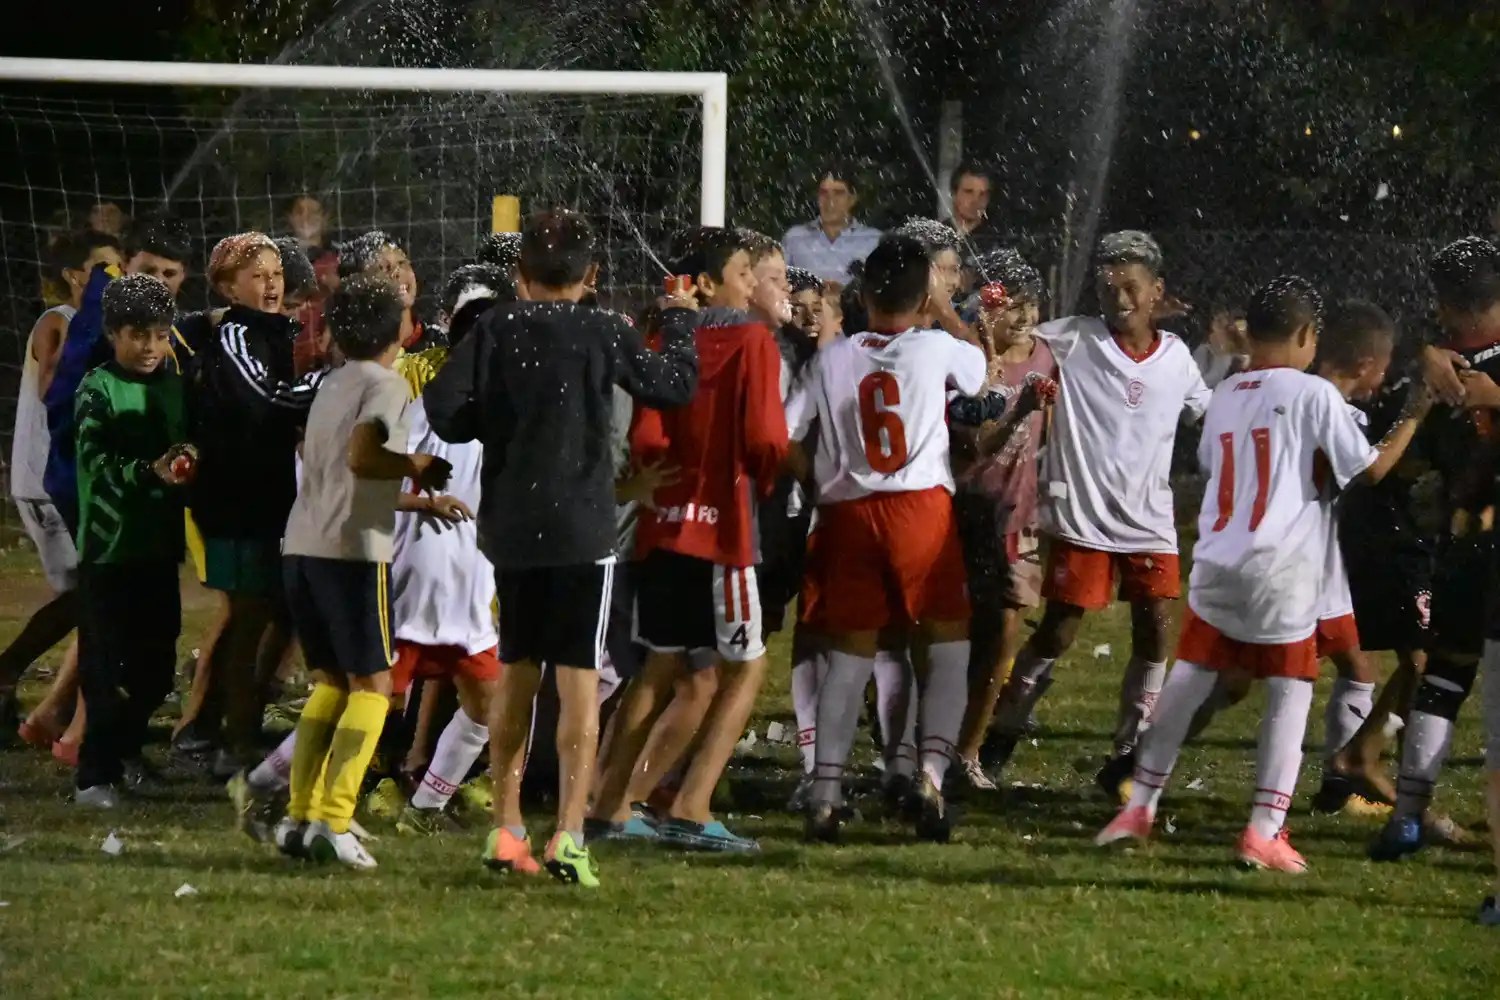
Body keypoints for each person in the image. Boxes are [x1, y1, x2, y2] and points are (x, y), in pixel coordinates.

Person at [1095, 277, 1430, 872]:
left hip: (1218, 560)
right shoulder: (1313, 394)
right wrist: (1419, 411)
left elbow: (1220, 463)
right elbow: (1370, 471)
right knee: (1289, 690)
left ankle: (1139, 804)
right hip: (1282, 568)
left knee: (1192, 677)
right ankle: (1264, 829)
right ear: (1306, 335)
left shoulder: (1224, 391)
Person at [423, 210, 699, 886]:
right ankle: (569, 834)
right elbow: (673, 385)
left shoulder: (494, 327)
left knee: (517, 669)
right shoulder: (604, 328)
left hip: (512, 526)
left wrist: (496, 421)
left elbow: (443, 408)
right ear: (592, 276)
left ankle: (507, 825)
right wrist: (683, 319)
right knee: (577, 682)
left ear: (518, 276)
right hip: (581, 527)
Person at [987, 231, 1210, 800]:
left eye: (1131, 287)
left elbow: (1206, 412)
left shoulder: (1178, 358)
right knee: (1059, 630)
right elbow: (1012, 342)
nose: (1118, 298)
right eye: (1108, 287)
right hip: (1084, 518)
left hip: (1151, 524)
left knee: (1156, 632)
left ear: (1157, 291)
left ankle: (1129, 756)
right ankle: (999, 734)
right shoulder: (1073, 340)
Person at [588, 226, 787, 852]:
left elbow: (645, 438)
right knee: (748, 666)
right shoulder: (752, 340)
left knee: (658, 669)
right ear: (706, 284)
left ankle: (609, 804)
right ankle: (693, 806)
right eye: (743, 273)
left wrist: (655, 485)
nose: (753, 284)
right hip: (723, 530)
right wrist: (769, 478)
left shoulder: (664, 339)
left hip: (663, 528)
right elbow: (764, 438)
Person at [786, 233, 986, 843]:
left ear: (864, 293)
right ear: (923, 293)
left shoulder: (834, 358)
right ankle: (928, 772)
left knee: (849, 657)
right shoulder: (934, 347)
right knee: (947, 646)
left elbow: (785, 431)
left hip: (850, 512)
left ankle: (825, 793)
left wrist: (816, 483)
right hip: (920, 509)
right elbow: (979, 373)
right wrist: (947, 311)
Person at [260, 274, 450, 869]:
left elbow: (330, 468)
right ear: (400, 327)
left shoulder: (331, 382)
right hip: (351, 554)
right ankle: (334, 818)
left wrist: (415, 499)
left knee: (333, 684)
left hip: (304, 546)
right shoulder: (387, 386)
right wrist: (417, 463)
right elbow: (364, 458)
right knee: (375, 687)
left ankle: (300, 817)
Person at [1371, 236, 1500, 863]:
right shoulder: (1445, 365)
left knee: (1445, 677)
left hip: (1461, 542)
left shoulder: (1434, 370)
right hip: (1481, 542)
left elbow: (1405, 459)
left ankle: (1407, 816)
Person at [188, 232, 325, 777]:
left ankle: (230, 729)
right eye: (257, 275)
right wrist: (330, 382)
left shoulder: (273, 331)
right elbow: (267, 400)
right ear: (227, 286)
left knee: (264, 613)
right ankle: (231, 741)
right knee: (247, 618)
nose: (270, 284)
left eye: (275, 274)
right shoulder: (240, 335)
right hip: (236, 500)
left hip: (265, 498)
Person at [388, 264, 513, 834]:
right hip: (422, 580)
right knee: (365, 698)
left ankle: (426, 808)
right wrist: (427, 504)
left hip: (469, 584)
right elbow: (379, 480)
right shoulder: (433, 407)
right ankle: (276, 785)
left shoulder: (504, 407)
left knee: (489, 706)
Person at [72, 274, 195, 806]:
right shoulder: (95, 387)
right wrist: (149, 471)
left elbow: (187, 438)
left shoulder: (173, 383)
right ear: (113, 333)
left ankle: (125, 754)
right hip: (109, 549)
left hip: (158, 546)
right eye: (137, 334)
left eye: (160, 334)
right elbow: (94, 462)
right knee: (104, 669)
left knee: (156, 669)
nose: (149, 346)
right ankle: (92, 776)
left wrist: (190, 456)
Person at [4, 230, 122, 751]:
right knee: (89, 594)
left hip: (56, 478)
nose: (114, 275)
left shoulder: (86, 322)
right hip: (48, 481)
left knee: (88, 594)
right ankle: (9, 675)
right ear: (78, 275)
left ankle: (55, 701)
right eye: (104, 266)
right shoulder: (61, 320)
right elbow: (55, 386)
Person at [948, 258, 1058, 788]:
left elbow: (1049, 436)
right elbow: (977, 444)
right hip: (965, 509)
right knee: (957, 635)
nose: (1023, 315)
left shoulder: (1045, 356)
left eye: (1031, 303)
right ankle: (931, 742)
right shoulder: (970, 359)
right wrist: (1019, 412)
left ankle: (968, 750)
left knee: (1004, 636)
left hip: (1017, 515)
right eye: (1010, 303)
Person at [338, 230, 440, 352]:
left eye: (402, 263)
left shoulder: (445, 347)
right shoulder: (352, 358)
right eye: (382, 269)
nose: (397, 273)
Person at [782, 165, 882, 284]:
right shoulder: (795, 238)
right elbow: (780, 283)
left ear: (852, 199)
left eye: (838, 193)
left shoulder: (873, 241)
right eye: (824, 193)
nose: (830, 200)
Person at [945, 161, 998, 253]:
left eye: (982, 194)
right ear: (953, 194)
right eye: (969, 192)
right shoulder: (935, 235)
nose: (975, 201)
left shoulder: (996, 242)